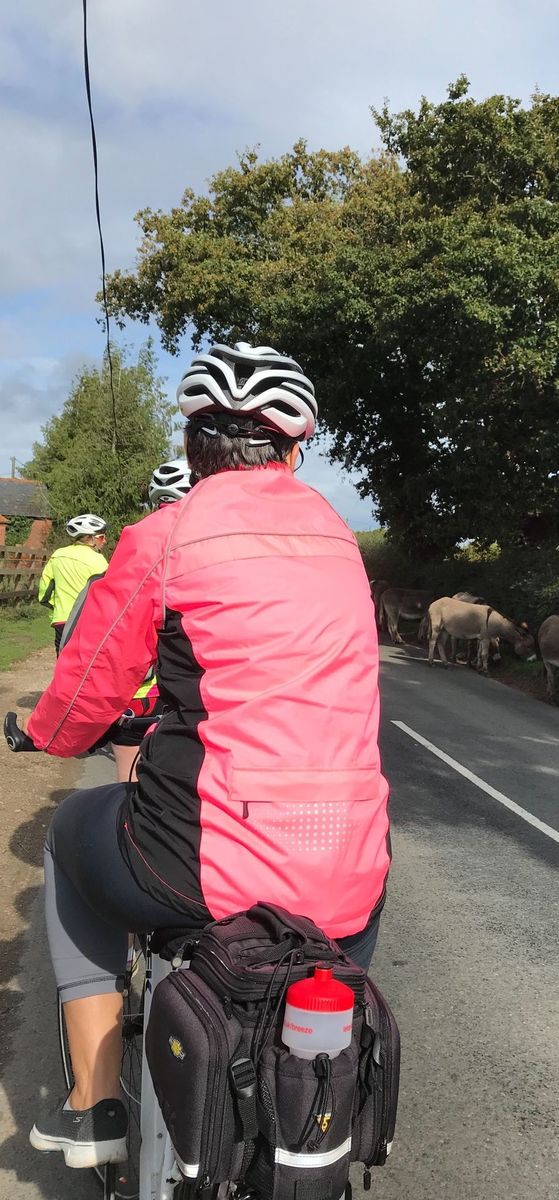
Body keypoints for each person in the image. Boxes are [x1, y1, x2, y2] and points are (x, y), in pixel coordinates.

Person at [24, 343, 391, 1169]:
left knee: (70, 832)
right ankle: (319, 1089)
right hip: (347, 869)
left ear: (194, 450)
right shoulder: (341, 539)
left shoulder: (168, 531)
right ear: (292, 452)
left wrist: (48, 738)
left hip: (193, 863)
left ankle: (94, 1104)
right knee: (344, 935)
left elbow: (90, 684)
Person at [108, 458, 193, 782]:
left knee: (128, 780)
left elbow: (115, 632)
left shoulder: (139, 542)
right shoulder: (228, 545)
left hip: (144, 693)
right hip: (203, 696)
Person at [38, 515, 108, 654]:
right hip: (89, 623)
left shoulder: (57, 555)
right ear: (90, 538)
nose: (104, 541)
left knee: (63, 663)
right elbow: (107, 594)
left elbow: (44, 594)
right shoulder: (99, 561)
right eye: (101, 537)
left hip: (62, 621)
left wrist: (58, 607)